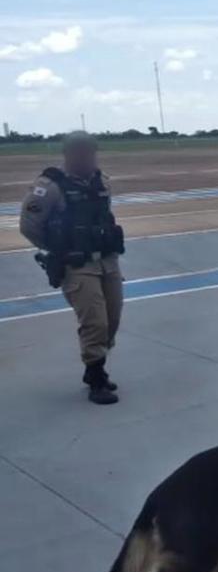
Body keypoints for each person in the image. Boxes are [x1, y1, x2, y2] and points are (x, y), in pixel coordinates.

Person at [19, 131, 125, 405]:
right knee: (95, 322)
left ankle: (97, 363)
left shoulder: (101, 181)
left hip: (107, 261)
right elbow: (29, 225)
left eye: (90, 152)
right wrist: (59, 249)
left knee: (112, 320)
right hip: (77, 265)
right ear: (67, 155)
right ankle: (96, 376)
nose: (87, 157)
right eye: (80, 152)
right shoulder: (50, 186)